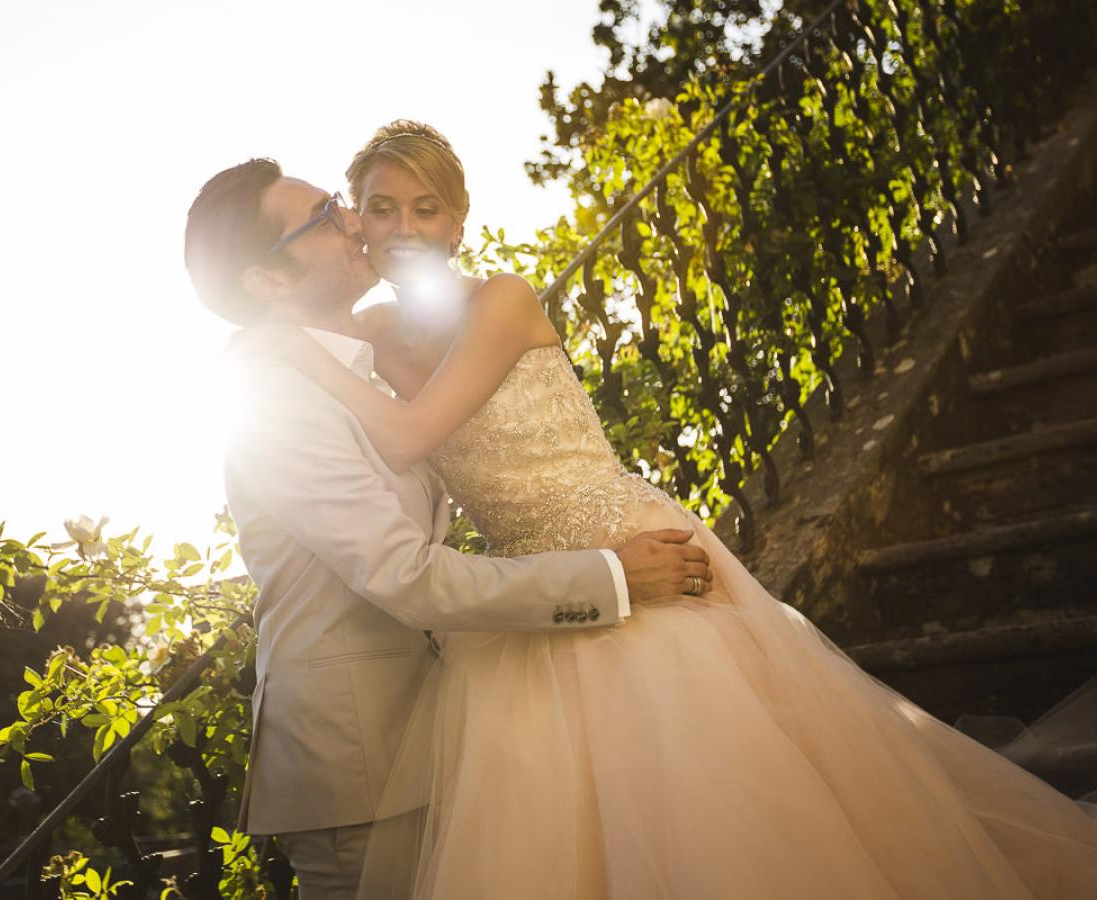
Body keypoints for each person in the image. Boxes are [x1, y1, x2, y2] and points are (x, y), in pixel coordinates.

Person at [261, 121, 1097, 899]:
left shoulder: (500, 300)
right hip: (523, 602)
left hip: (628, 552)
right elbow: (293, 326)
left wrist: (286, 355)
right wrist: (269, 338)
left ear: (460, 221)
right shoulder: (369, 335)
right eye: (382, 207)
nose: (406, 227)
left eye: (428, 207)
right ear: (356, 221)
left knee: (712, 807)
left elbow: (409, 437)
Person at [182, 157, 716, 899]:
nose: (351, 224)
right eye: (324, 218)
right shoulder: (276, 397)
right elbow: (406, 574)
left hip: (428, 729)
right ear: (269, 281)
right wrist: (613, 576)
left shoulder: (356, 365)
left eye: (337, 204)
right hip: (358, 770)